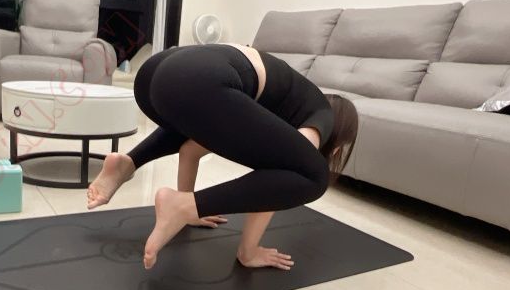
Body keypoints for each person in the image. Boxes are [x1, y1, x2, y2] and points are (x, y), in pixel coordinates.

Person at [87, 44, 358, 270]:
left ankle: (127, 163)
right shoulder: (322, 113)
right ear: (339, 141)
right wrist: (248, 251)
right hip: (199, 76)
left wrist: (188, 206)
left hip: (156, 76)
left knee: (194, 113)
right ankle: (179, 206)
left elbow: (190, 150)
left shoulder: (267, 107)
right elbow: (288, 169)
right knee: (314, 175)